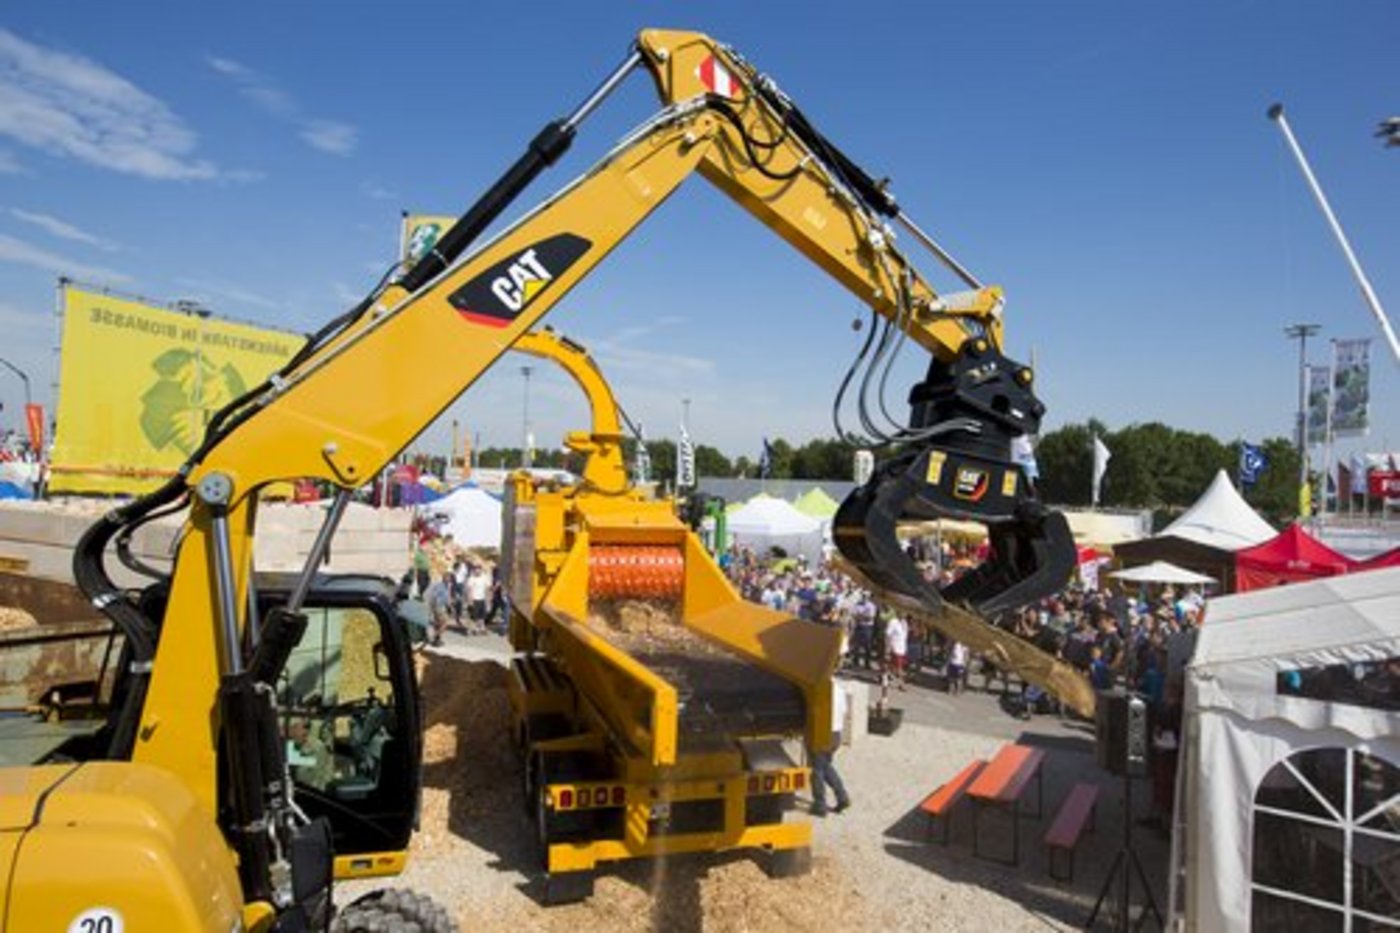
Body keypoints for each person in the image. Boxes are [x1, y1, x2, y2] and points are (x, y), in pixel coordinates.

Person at [809, 678, 851, 817]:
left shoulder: (818, 688)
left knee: (817, 770)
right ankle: (842, 796)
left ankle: (819, 804)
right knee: (825, 766)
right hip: (836, 735)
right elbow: (844, 711)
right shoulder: (839, 689)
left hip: (822, 733)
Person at [287, 717, 335, 790]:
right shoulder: (290, 745)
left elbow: (315, 782)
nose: (305, 731)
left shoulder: (317, 748)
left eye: (305, 728)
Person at [424, 571, 454, 646]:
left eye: (449, 578)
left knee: (438, 624)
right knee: (444, 623)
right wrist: (433, 608)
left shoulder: (447, 586)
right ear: (443, 578)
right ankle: (434, 637)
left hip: (441, 607)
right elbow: (434, 596)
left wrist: (450, 607)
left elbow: (447, 599)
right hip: (438, 607)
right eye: (447, 577)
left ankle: (437, 639)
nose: (448, 579)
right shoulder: (440, 586)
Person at [885, 612, 908, 690]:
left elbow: (904, 636)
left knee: (893, 667)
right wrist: (888, 648)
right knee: (899, 668)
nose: (903, 614)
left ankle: (886, 677)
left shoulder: (905, 623)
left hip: (902, 649)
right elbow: (888, 635)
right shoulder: (893, 621)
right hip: (895, 648)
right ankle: (901, 684)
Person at [465, 564, 490, 634]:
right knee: (473, 615)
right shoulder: (471, 578)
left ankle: (481, 628)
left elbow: (487, 590)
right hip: (474, 599)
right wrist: (470, 601)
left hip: (482, 599)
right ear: (474, 570)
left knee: (482, 615)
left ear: (481, 570)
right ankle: (471, 629)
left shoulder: (485, 578)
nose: (477, 571)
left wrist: (488, 601)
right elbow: (469, 590)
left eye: (478, 569)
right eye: (476, 569)